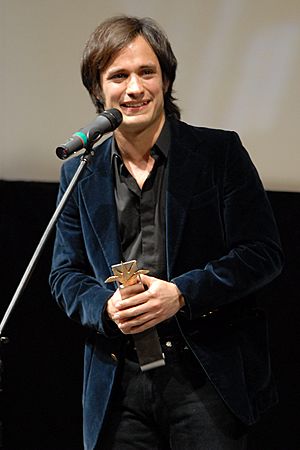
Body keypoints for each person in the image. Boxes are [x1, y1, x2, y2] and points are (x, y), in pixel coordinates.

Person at [49, 15, 283, 450]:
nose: (135, 88)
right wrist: (105, 307)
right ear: (99, 90)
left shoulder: (218, 153)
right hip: (119, 381)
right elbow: (64, 275)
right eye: (119, 75)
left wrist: (181, 294)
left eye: (147, 72)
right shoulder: (80, 172)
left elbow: (261, 253)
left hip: (204, 375)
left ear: (166, 79)